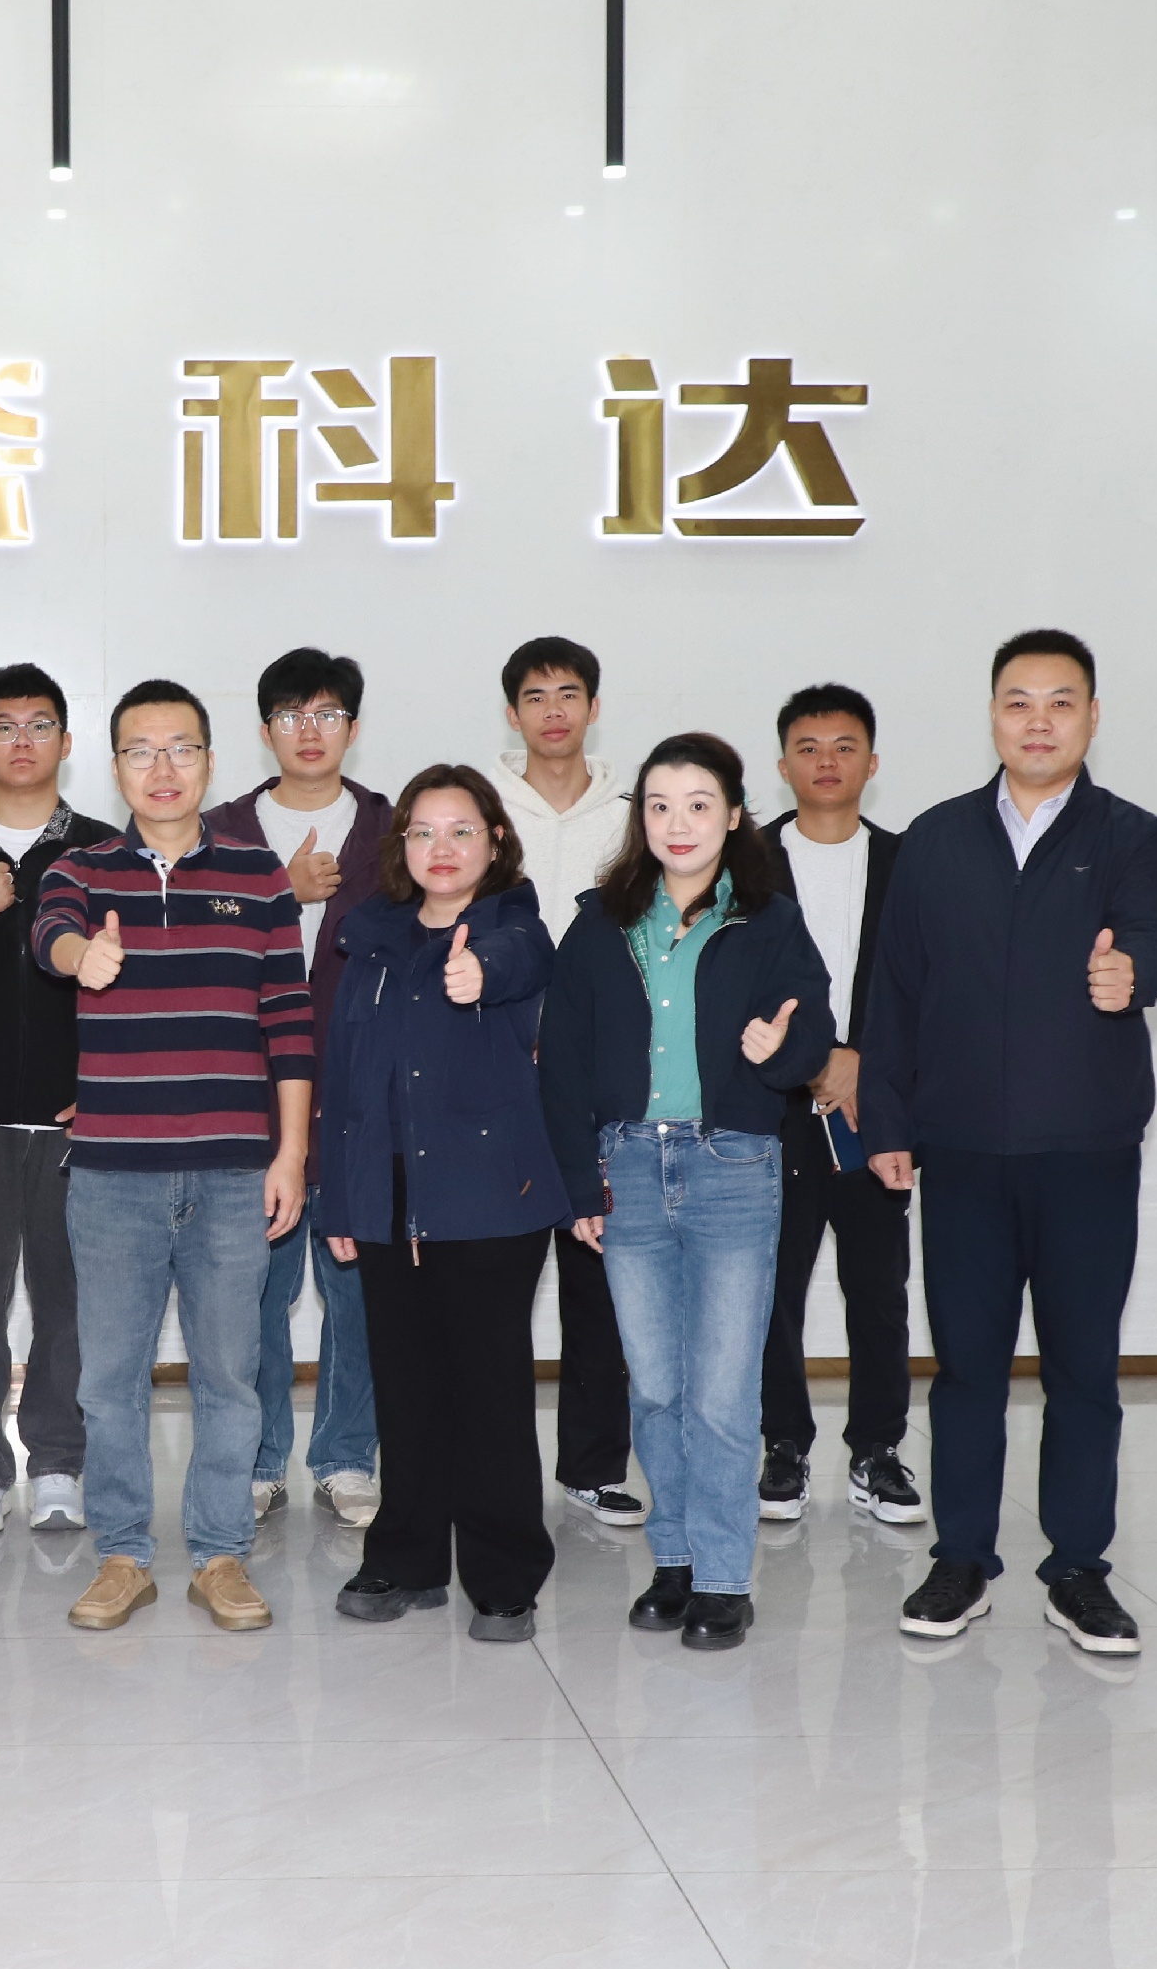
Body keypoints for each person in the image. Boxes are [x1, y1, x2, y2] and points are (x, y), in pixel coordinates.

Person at [860, 629, 1157, 1653]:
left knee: (1082, 1368)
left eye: (1059, 701)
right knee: (965, 1368)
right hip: (960, 1149)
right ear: (992, 715)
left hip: (1086, 1148)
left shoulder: (1132, 835)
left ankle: (1078, 1568)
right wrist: (887, 1120)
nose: (1038, 721)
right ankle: (960, 1558)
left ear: (1091, 716)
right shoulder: (934, 838)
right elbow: (892, 989)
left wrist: (1131, 970)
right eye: (1018, 701)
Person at [540, 734, 834, 1651]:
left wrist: (779, 1053)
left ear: (734, 815)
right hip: (626, 1167)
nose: (678, 823)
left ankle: (722, 1576)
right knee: (658, 1387)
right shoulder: (600, 923)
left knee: (720, 1392)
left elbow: (813, 1030)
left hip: (732, 1166)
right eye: (660, 805)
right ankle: (672, 1558)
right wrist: (577, 1181)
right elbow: (563, 1063)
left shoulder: (769, 920)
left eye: (699, 804)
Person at [33, 680, 313, 1635]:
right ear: (113, 766)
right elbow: (48, 933)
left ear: (210, 760)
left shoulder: (259, 875)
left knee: (229, 1376)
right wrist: (81, 959)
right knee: (108, 1381)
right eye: (141, 750)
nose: (163, 768)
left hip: (234, 1175)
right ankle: (122, 1556)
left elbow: (290, 1025)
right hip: (113, 1176)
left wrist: (291, 1156)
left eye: (181, 748)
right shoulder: (82, 870)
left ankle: (220, 1555)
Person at [317, 766, 569, 1640]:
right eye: (423, 832)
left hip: (492, 1197)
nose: (442, 848)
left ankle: (504, 1577)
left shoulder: (517, 929)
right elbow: (345, 1079)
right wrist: (339, 1201)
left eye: (462, 830)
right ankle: (407, 1558)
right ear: (402, 846)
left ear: (494, 842)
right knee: (406, 1385)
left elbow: (518, 962)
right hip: (388, 1198)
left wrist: (479, 971)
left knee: (490, 1390)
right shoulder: (371, 940)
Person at [205, 647, 387, 1530]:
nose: (308, 731)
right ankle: (259, 1457)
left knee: (356, 1293)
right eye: (289, 715)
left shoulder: (392, 830)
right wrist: (283, 889)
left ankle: (348, 1456)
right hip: (247, 1100)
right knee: (254, 1294)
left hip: (361, 1103)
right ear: (264, 728)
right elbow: (185, 939)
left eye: (326, 714)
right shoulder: (220, 829)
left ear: (353, 726)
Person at [0, 663, 117, 1535]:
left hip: (72, 1119)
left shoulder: (104, 852)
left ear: (66, 741)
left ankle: (57, 1462)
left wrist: (108, 1088)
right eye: (4, 726)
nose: (22, 740)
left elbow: (134, 986)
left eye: (39, 724)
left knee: (68, 1303)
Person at [758, 685, 924, 1527]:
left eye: (844, 746)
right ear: (782, 764)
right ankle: (782, 1445)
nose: (827, 761)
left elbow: (933, 986)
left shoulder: (911, 863)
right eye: (809, 747)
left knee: (880, 1289)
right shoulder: (745, 863)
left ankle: (877, 1449)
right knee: (770, 1290)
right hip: (769, 1112)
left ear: (872, 762)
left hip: (874, 1112)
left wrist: (866, 1066)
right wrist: (815, 1059)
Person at [492, 636, 647, 1532]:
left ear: (593, 707)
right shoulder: (482, 810)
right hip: (496, 1080)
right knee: (495, 1289)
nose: (553, 711)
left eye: (569, 694)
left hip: (598, 1084)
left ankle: (593, 1467)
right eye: (535, 696)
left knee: (598, 1279)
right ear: (512, 712)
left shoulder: (634, 815)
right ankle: (493, 1467)